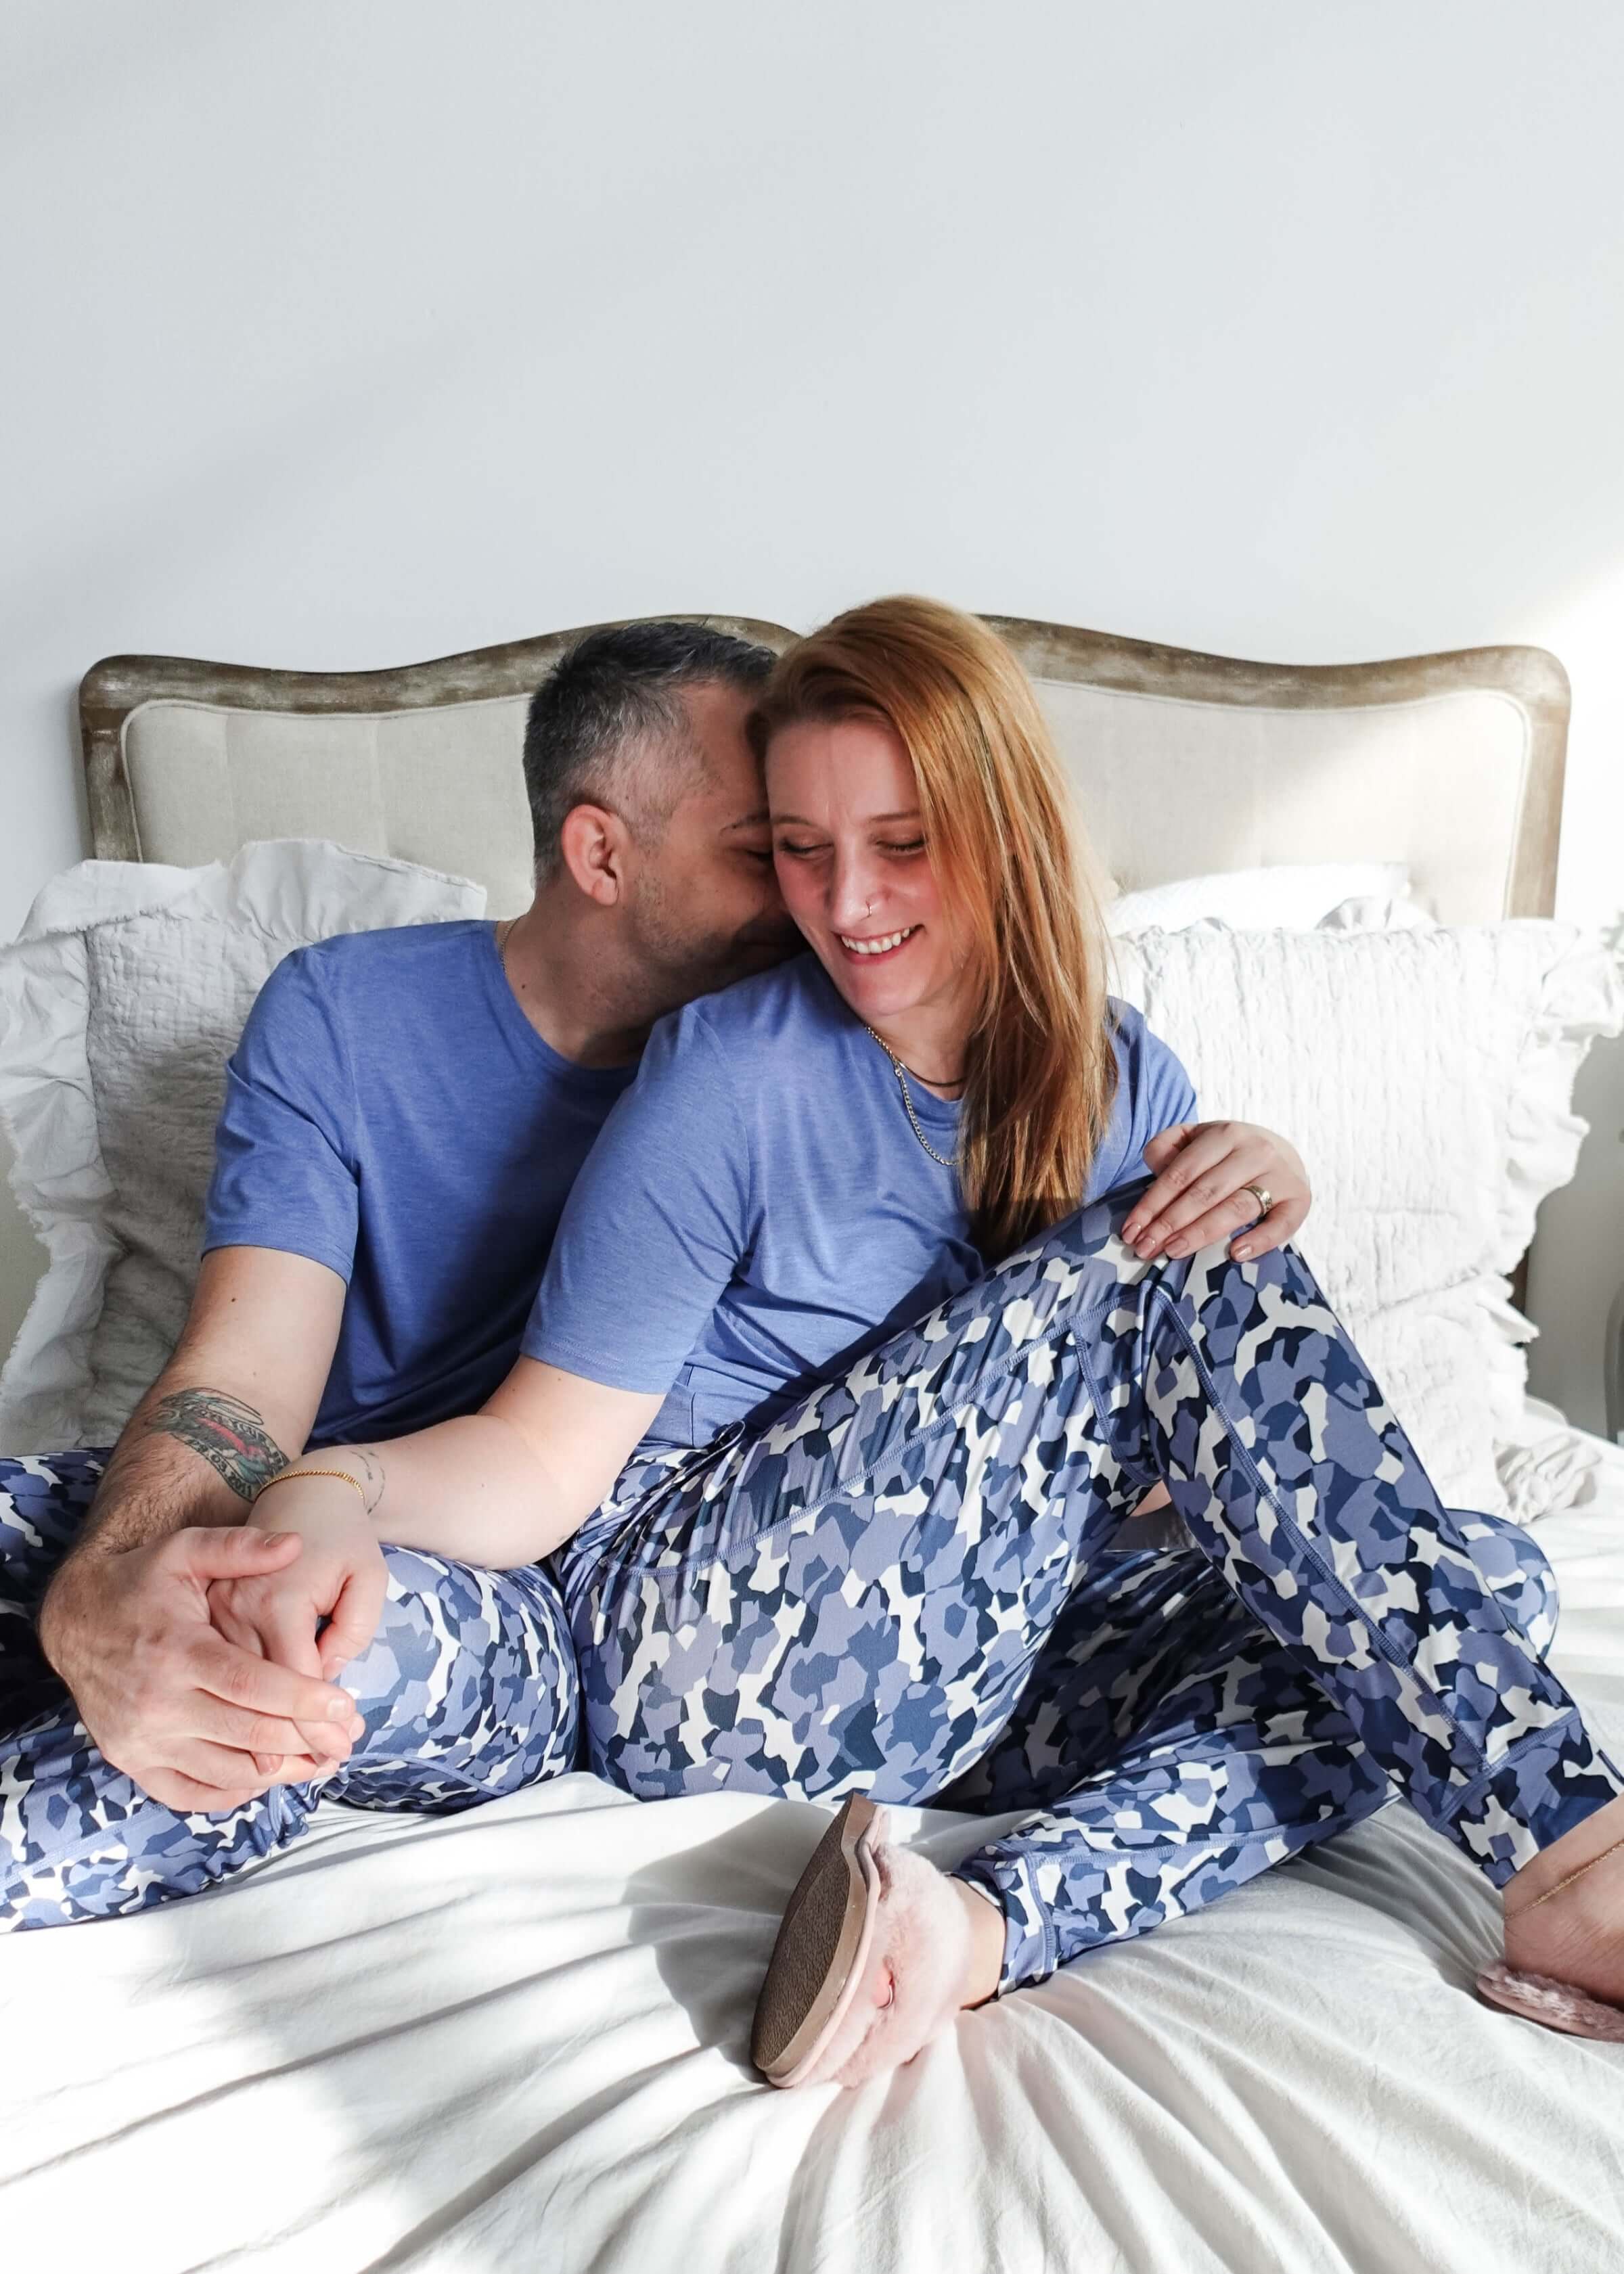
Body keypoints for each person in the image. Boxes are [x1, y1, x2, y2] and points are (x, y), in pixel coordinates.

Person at [89, 595, 1620, 2083]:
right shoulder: (729, 1068)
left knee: (1476, 1577)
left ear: (1003, 828)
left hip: (983, 1666)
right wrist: (337, 1486)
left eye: (899, 846)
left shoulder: (1117, 1071)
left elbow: (1199, 1475)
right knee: (1173, 1272)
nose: (843, 903)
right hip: (698, 1640)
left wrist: (1260, 1186)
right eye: (799, 852)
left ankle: (982, 1924)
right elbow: (545, 1454)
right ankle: (1572, 1846)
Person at [1, 611, 1306, 1928]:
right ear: (601, 852)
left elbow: (1011, 1435)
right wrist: (107, 1591)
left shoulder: (844, 1067)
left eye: (865, 844)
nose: (830, 906)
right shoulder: (346, 1013)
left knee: (285, 1657)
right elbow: (242, 1373)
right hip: (359, 1501)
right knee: (111, 1563)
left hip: (522, 1599)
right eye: (777, 850)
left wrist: (1226, 1188)